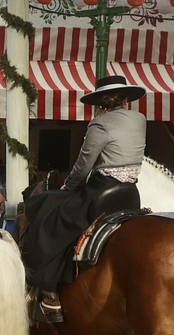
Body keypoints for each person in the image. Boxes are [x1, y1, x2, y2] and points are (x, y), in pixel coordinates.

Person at [21, 73, 148, 322]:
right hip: (130, 192)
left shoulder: (99, 124)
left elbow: (83, 165)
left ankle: (49, 291)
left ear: (101, 104)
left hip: (102, 188)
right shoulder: (140, 119)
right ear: (125, 99)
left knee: (47, 210)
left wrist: (67, 187)